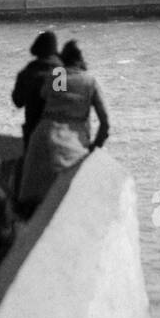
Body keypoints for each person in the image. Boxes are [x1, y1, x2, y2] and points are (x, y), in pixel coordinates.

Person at [16, 40, 109, 216]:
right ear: (81, 58)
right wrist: (95, 146)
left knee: (32, 202)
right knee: (73, 201)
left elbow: (49, 94)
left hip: (43, 137)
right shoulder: (90, 81)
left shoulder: (58, 75)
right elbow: (105, 123)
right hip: (71, 143)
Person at [11, 30, 61, 150]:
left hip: (33, 130)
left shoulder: (27, 72)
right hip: (56, 131)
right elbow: (61, 101)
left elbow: (18, 102)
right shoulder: (59, 72)